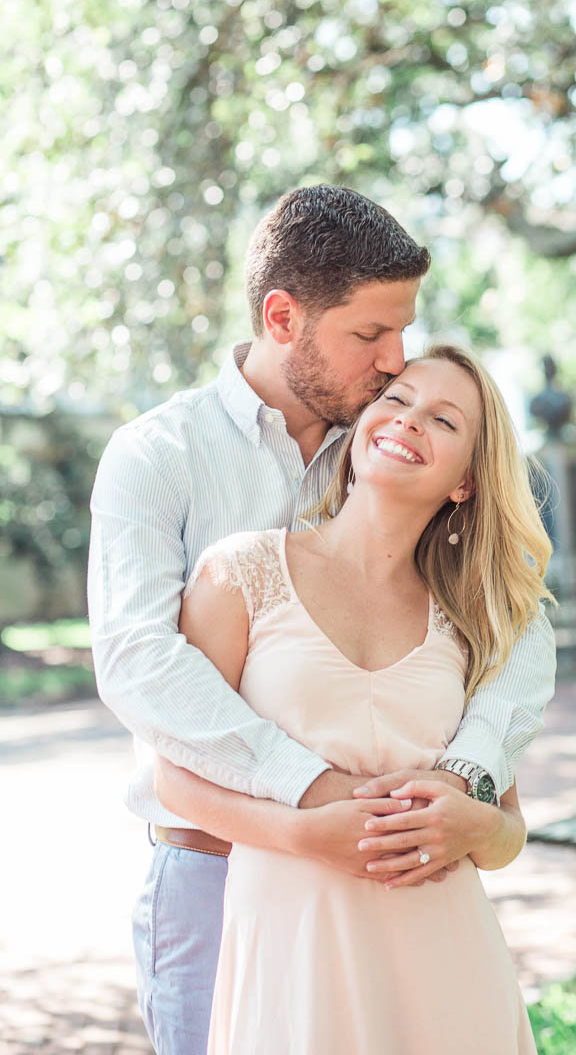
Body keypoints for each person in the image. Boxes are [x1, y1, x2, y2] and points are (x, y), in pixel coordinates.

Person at [87, 185, 556, 1055]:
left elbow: (516, 625)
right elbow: (139, 664)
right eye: (371, 336)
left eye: (403, 333)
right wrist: (308, 790)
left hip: (406, 893)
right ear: (282, 318)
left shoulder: (382, 437)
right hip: (213, 869)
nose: (393, 362)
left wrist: (468, 781)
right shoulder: (161, 454)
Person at [157, 345, 553, 1053]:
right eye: (395, 400)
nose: (407, 421)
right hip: (293, 953)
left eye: (443, 419)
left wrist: (473, 829)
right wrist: (302, 834)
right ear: (362, 422)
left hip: (448, 960)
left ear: (464, 481)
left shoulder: (471, 620)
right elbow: (175, 780)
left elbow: (510, 826)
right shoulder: (240, 574)